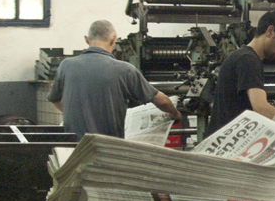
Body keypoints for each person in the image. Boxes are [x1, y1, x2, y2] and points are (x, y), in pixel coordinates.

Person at [48, 20, 180, 139]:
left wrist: (78, 113)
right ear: (112, 40)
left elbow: (54, 99)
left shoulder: (66, 66)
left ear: (87, 40)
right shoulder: (125, 69)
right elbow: (160, 100)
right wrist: (175, 113)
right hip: (110, 150)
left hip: (74, 149)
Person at [206, 10, 275, 134]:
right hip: (226, 147)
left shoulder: (243, 56)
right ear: (270, 31)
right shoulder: (248, 60)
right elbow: (261, 108)